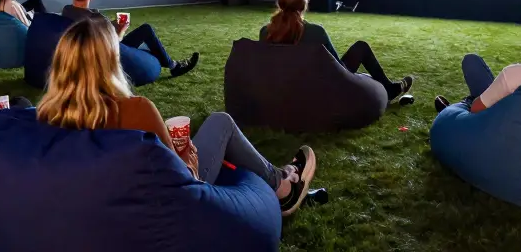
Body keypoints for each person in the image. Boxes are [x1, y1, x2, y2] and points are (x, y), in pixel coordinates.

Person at [38, 17, 317, 216]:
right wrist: (187, 158)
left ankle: (276, 178)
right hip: (165, 203)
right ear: (109, 61)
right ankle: (282, 187)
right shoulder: (134, 110)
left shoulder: (45, 115)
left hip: (101, 208)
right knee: (221, 122)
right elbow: (181, 174)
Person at [262, 0, 413, 100]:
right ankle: (390, 89)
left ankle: (388, 87)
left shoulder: (265, 32)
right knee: (361, 47)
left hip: (284, 88)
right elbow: (339, 68)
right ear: (304, 4)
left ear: (280, 3)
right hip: (321, 88)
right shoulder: (315, 32)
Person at [61, 0, 198, 78]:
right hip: (107, 55)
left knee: (146, 42)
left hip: (85, 53)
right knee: (146, 30)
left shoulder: (67, 11)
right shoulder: (96, 18)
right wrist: (122, 29)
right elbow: (115, 41)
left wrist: (111, 24)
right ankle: (174, 66)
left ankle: (163, 58)